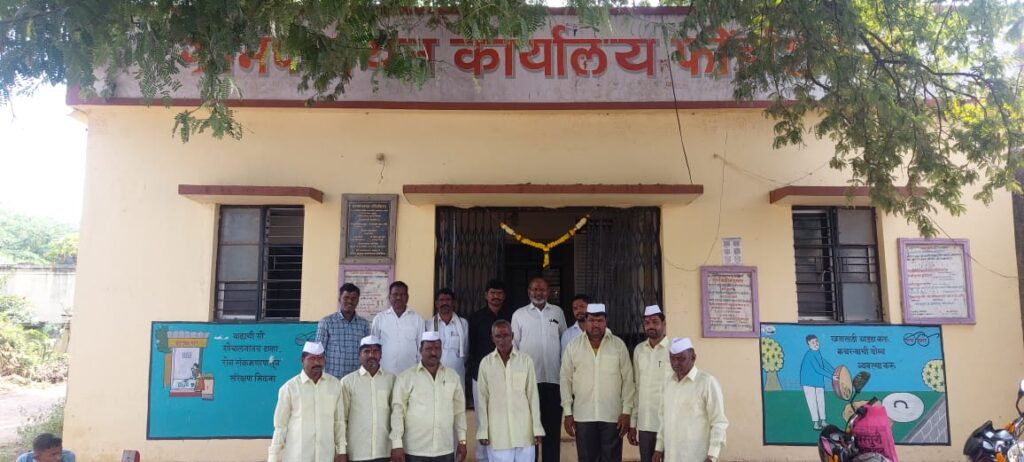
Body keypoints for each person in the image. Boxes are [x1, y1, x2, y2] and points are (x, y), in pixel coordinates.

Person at [560, 303, 635, 462]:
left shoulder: (618, 345)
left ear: (606, 321)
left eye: (600, 320)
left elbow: (628, 380)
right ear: (585, 321)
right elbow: (565, 379)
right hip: (583, 416)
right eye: (592, 320)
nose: (596, 324)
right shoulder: (573, 346)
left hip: (613, 417)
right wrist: (568, 412)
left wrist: (626, 412)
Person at [510, 276, 566, 462]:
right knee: (530, 433)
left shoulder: (557, 312)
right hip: (529, 383)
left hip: (554, 382)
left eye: (542, 289)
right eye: (534, 289)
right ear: (528, 292)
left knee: (552, 432)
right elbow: (513, 347)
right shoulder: (519, 315)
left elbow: (564, 343)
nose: (538, 293)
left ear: (548, 292)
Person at [390, 331, 468, 462]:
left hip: (445, 449)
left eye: (437, 348)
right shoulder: (406, 377)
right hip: (415, 451)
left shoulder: (452, 376)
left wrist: (462, 441)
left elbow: (459, 411)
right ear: (420, 350)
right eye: (428, 348)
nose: (433, 352)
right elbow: (398, 412)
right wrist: (397, 444)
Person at [477, 320, 545, 462]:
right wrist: (483, 430)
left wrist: (537, 428)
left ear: (512, 336)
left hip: (524, 434)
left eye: (506, 335)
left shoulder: (525, 361)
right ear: (492, 338)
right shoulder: (485, 363)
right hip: (498, 435)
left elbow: (533, 396)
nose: (502, 340)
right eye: (498, 336)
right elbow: (482, 400)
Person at [652, 338, 728, 462]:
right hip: (671, 456)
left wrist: (712, 455)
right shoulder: (668, 384)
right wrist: (659, 448)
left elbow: (719, 422)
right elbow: (663, 419)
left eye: (681, 359)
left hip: (697, 457)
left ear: (693, 357)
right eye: (672, 358)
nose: (675, 363)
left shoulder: (707, 382)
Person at [269, 342, 344, 462]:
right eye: (312, 358)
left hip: (326, 456)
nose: (317, 362)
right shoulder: (289, 388)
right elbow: (280, 426)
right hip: (297, 457)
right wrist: (273, 456)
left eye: (320, 358)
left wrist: (341, 451)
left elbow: (339, 422)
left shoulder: (335, 385)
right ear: (302, 360)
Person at [467, 279, 514, 462]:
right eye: (492, 293)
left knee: (504, 416)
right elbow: (469, 348)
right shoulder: (475, 318)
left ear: (505, 296)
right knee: (482, 419)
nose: (496, 296)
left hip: (506, 376)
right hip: (480, 376)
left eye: (499, 293)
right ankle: (482, 458)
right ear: (486, 295)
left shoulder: (512, 316)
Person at [339, 335, 395, 462]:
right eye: (366, 351)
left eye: (375, 351)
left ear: (381, 354)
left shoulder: (391, 380)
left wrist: (397, 446)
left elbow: (396, 416)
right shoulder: (347, 382)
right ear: (359, 355)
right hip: (357, 452)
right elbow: (341, 419)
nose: (371, 355)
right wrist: (341, 450)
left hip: (384, 451)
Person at [628, 305, 671, 462]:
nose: (650, 326)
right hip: (646, 424)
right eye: (647, 323)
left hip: (669, 424)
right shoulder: (639, 350)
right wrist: (633, 424)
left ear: (664, 324)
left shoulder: (674, 350)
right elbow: (636, 387)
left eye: (655, 322)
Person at [317, 283, 371, 378]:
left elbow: (367, 352)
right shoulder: (326, 322)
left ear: (358, 301)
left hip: (356, 379)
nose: (350, 301)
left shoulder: (364, 324)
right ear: (339, 299)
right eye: (346, 298)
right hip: (333, 378)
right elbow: (318, 351)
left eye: (353, 298)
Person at [371, 281, 425, 374]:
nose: (399, 297)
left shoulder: (417, 319)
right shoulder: (379, 319)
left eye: (402, 294)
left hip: (410, 373)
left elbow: (421, 347)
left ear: (407, 297)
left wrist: (420, 371)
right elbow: (374, 347)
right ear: (389, 297)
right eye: (395, 294)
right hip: (385, 373)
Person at [426, 288, 469, 386]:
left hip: (457, 372)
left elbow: (466, 350)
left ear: (453, 303)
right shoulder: (429, 324)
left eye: (448, 300)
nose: (445, 303)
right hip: (435, 372)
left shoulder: (463, 324)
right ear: (436, 303)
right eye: (441, 300)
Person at [800, 334, 835, 431]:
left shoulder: (817, 352)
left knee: (821, 401)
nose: (816, 344)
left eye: (816, 341)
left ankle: (823, 421)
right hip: (808, 382)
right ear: (808, 344)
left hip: (818, 381)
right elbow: (818, 369)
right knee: (812, 402)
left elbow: (824, 363)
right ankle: (816, 423)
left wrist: (835, 371)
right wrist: (832, 376)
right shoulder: (809, 355)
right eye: (813, 342)